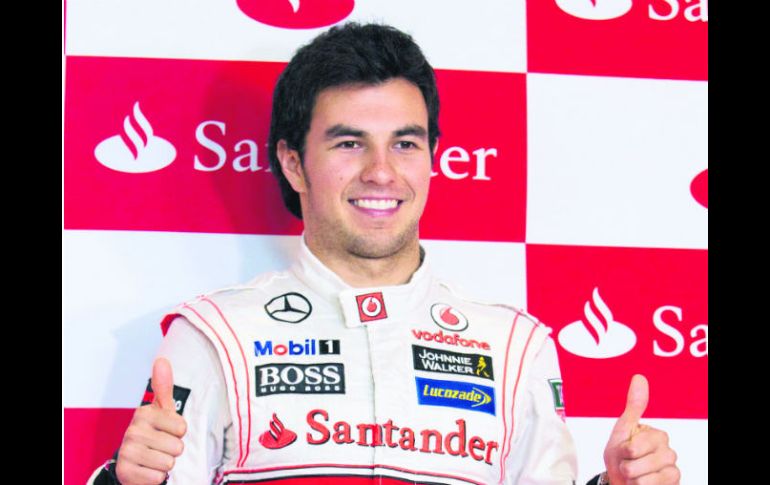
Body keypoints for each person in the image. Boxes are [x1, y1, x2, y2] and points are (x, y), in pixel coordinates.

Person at [88, 22, 680, 485]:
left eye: (405, 144)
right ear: (293, 163)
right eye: (349, 143)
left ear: (432, 157)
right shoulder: (214, 335)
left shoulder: (514, 346)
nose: (381, 172)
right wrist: (124, 481)